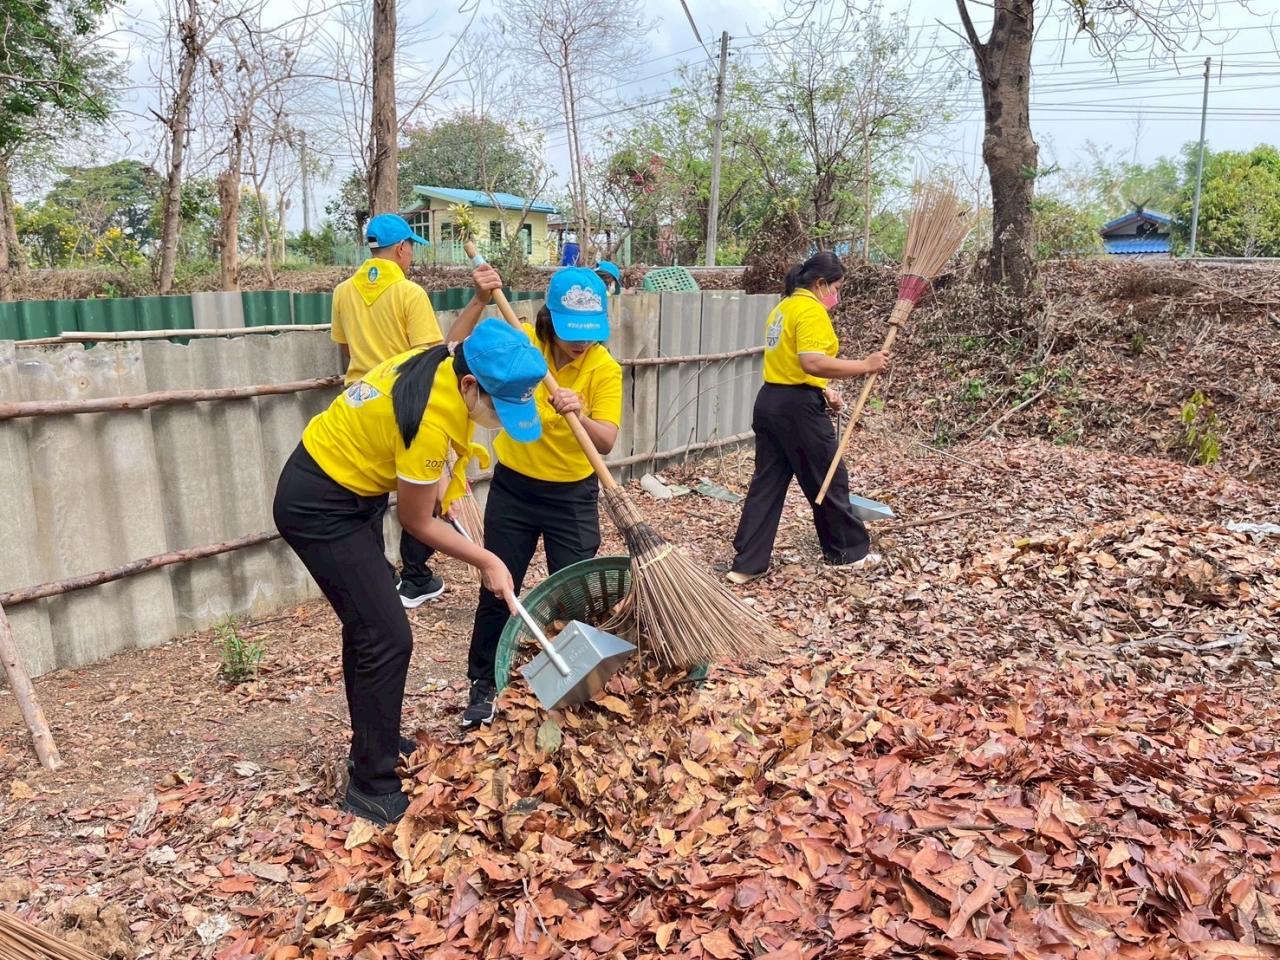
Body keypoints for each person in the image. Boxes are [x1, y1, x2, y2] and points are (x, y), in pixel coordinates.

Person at [273, 318, 548, 825]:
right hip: (320, 505)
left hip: (351, 492)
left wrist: (454, 490)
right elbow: (417, 520)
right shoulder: (429, 418)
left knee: (368, 628)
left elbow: (441, 487)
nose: (497, 416)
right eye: (497, 405)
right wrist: (489, 560)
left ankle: (372, 743)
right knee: (387, 635)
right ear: (471, 386)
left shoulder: (447, 360)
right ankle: (371, 786)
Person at [447, 266, 622, 728]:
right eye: (570, 332)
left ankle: (574, 682)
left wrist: (579, 414)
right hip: (515, 490)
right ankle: (482, 685)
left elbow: (606, 441)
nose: (580, 343)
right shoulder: (523, 342)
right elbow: (454, 351)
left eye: (589, 333)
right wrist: (480, 300)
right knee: (497, 587)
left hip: (573, 496)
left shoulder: (604, 369)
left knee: (576, 595)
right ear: (549, 318)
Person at [331, 213, 502, 609]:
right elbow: (435, 357)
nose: (411, 258)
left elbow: (345, 351)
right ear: (402, 248)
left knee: (368, 497)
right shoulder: (409, 294)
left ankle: (379, 578)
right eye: (411, 250)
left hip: (361, 406)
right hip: (410, 407)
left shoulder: (342, 292)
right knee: (421, 494)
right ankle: (415, 576)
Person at [726, 251, 890, 584]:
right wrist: (865, 365)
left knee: (767, 484)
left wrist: (823, 389)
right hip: (797, 410)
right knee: (828, 476)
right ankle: (849, 553)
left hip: (771, 401)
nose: (836, 296)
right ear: (820, 283)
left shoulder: (783, 308)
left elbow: (792, 363)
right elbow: (811, 362)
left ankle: (747, 562)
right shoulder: (810, 310)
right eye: (836, 287)